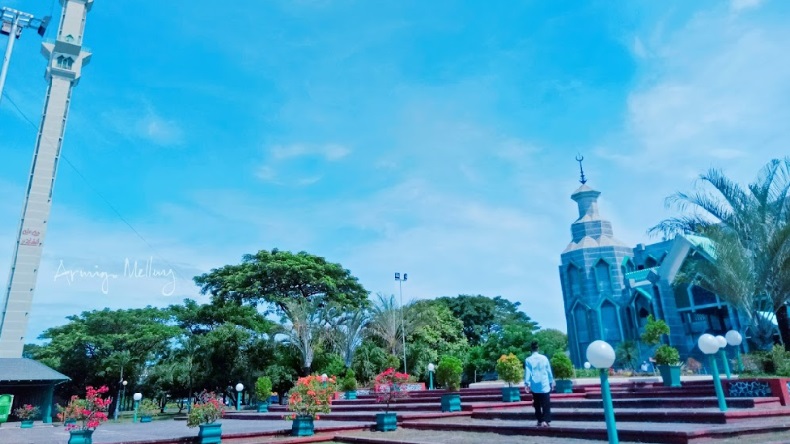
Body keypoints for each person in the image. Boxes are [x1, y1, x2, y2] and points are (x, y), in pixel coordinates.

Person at [524, 340, 554, 427]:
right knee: (546, 403)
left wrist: (527, 383)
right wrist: (551, 381)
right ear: (538, 348)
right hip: (544, 383)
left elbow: (528, 372)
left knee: (537, 404)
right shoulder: (544, 358)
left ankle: (539, 420)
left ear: (531, 349)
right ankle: (546, 420)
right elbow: (548, 371)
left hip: (534, 384)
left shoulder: (528, 360)